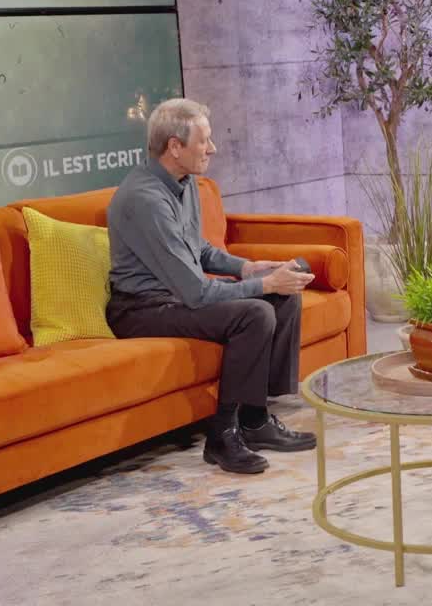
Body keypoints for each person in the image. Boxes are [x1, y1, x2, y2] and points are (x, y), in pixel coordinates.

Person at [105, 98, 317, 474]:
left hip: (174, 296)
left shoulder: (185, 183)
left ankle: (255, 420)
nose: (213, 148)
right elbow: (197, 293)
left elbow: (198, 248)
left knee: (284, 295)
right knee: (256, 312)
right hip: (141, 309)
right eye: (204, 140)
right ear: (175, 147)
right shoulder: (145, 199)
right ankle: (221, 436)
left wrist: (248, 267)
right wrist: (265, 283)